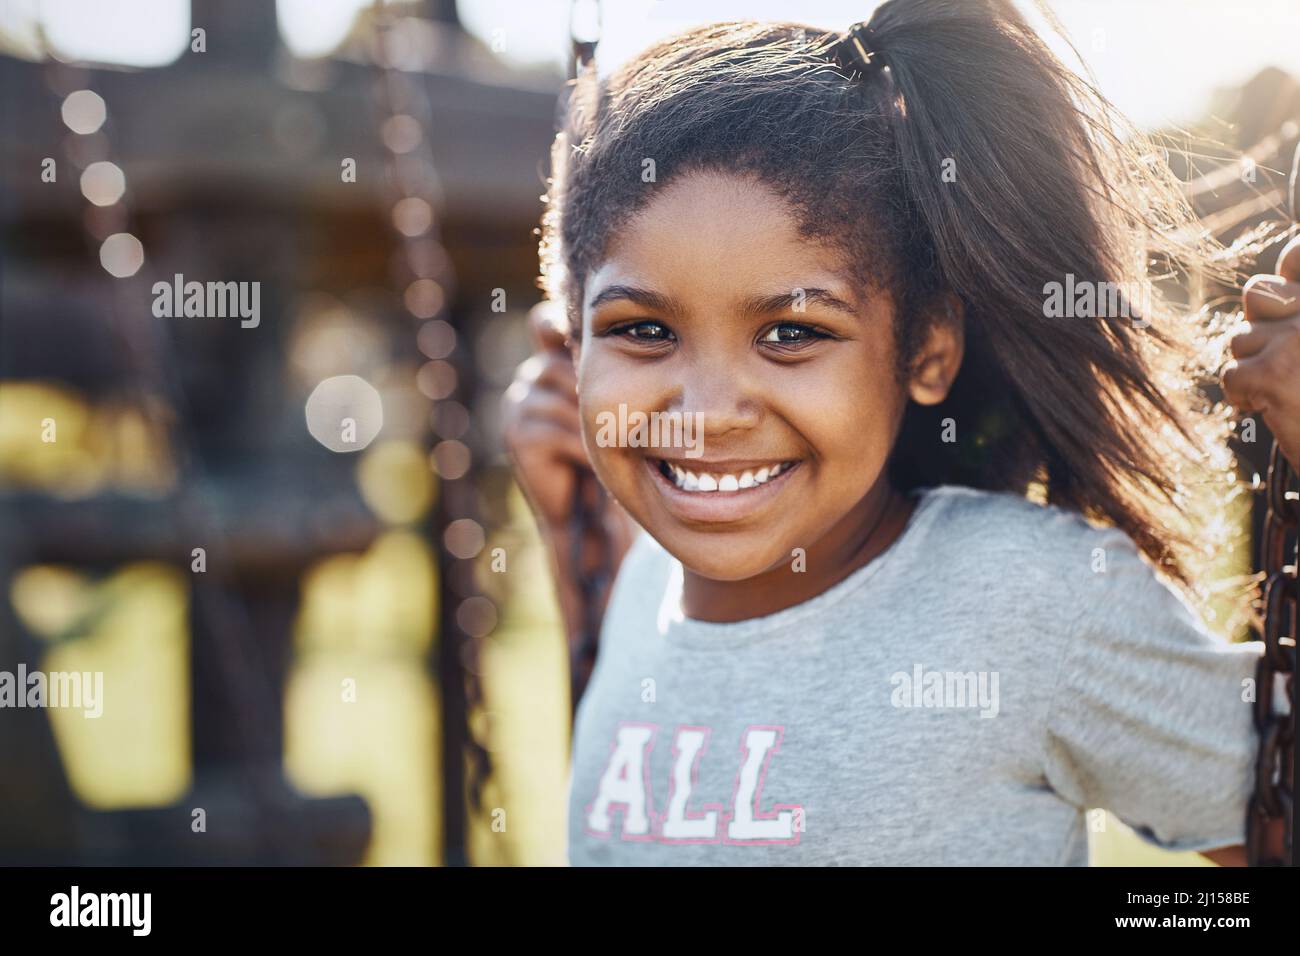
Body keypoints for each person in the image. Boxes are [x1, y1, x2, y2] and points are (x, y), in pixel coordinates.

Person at [502, 0, 1298, 865]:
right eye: (643, 331)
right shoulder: (637, 586)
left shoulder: (1028, 601)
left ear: (926, 352)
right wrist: (565, 535)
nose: (705, 411)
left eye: (792, 333)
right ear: (571, 341)